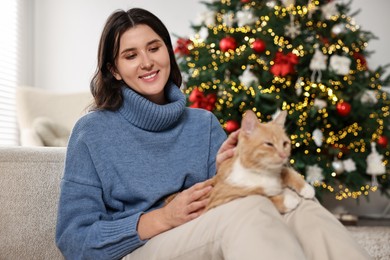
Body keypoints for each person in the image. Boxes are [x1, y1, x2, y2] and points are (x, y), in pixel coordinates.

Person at [55, 7, 370, 260]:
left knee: (297, 202)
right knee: (250, 210)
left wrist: (227, 171)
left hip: (206, 226)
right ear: (113, 70)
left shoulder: (202, 124)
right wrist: (162, 218)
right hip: (141, 247)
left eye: (154, 48)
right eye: (131, 55)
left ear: (168, 52)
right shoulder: (92, 132)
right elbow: (73, 239)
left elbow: (226, 197)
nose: (147, 62)